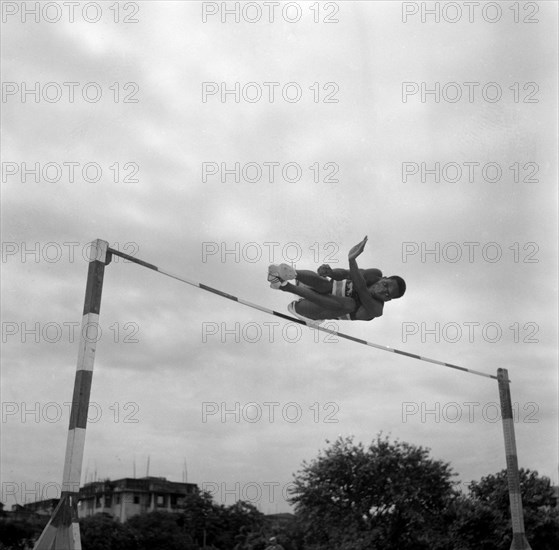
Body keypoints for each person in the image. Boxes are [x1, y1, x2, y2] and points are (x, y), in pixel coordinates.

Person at [268, 236, 406, 324]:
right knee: (327, 284)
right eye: (385, 285)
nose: (382, 290)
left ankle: (283, 286)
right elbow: (346, 273)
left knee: (350, 304)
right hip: (312, 287)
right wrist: (331, 272)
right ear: (383, 278)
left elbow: (362, 289)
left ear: (387, 300)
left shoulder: (376, 310)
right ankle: (287, 274)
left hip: (311, 310)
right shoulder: (374, 274)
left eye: (387, 294)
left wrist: (352, 260)